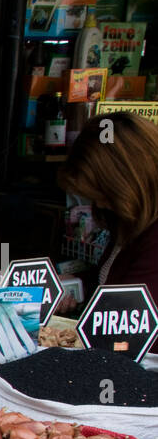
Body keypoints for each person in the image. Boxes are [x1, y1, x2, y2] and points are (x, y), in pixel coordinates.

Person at [57, 112, 158, 299]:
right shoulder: (128, 219)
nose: (100, 204)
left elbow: (127, 308)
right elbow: (109, 279)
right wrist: (74, 283)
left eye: (102, 194)